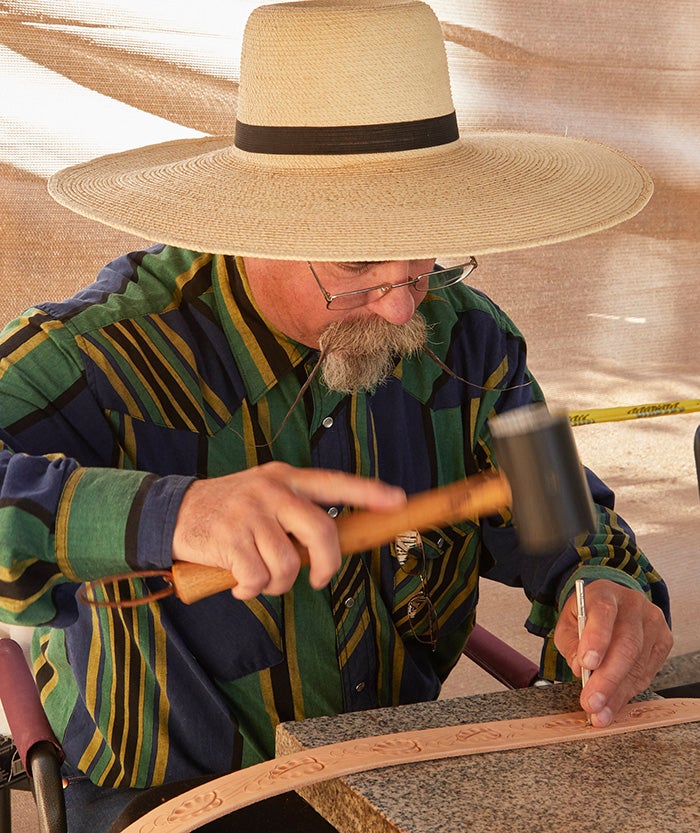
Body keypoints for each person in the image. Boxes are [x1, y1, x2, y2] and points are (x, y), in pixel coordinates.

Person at [0, 2, 672, 830]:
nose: (400, 309)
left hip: (393, 777)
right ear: (251, 226)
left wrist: (598, 588)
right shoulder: (108, 353)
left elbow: (563, 518)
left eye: (424, 251)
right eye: (358, 262)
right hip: (181, 798)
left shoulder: (469, 338)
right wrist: (175, 514)